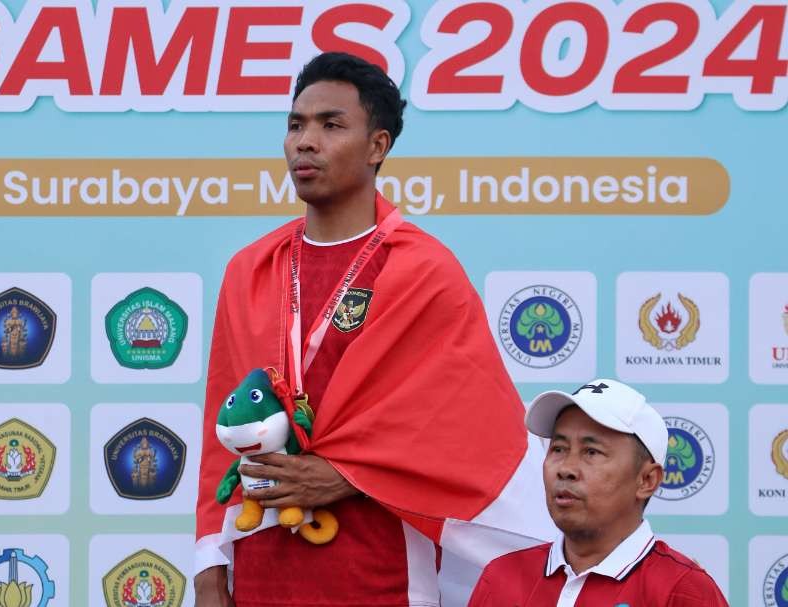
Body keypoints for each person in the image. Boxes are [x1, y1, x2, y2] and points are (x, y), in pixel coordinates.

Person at [194, 52, 554, 607]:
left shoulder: (424, 270)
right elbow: (225, 422)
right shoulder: (250, 270)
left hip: (382, 567)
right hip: (259, 559)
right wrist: (209, 564)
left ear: (377, 146)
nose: (304, 142)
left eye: (331, 125)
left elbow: (468, 429)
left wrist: (346, 475)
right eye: (296, 125)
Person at [468, 379, 730, 606]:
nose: (566, 469)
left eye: (591, 452)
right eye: (558, 449)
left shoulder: (685, 592)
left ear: (647, 479)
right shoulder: (502, 578)